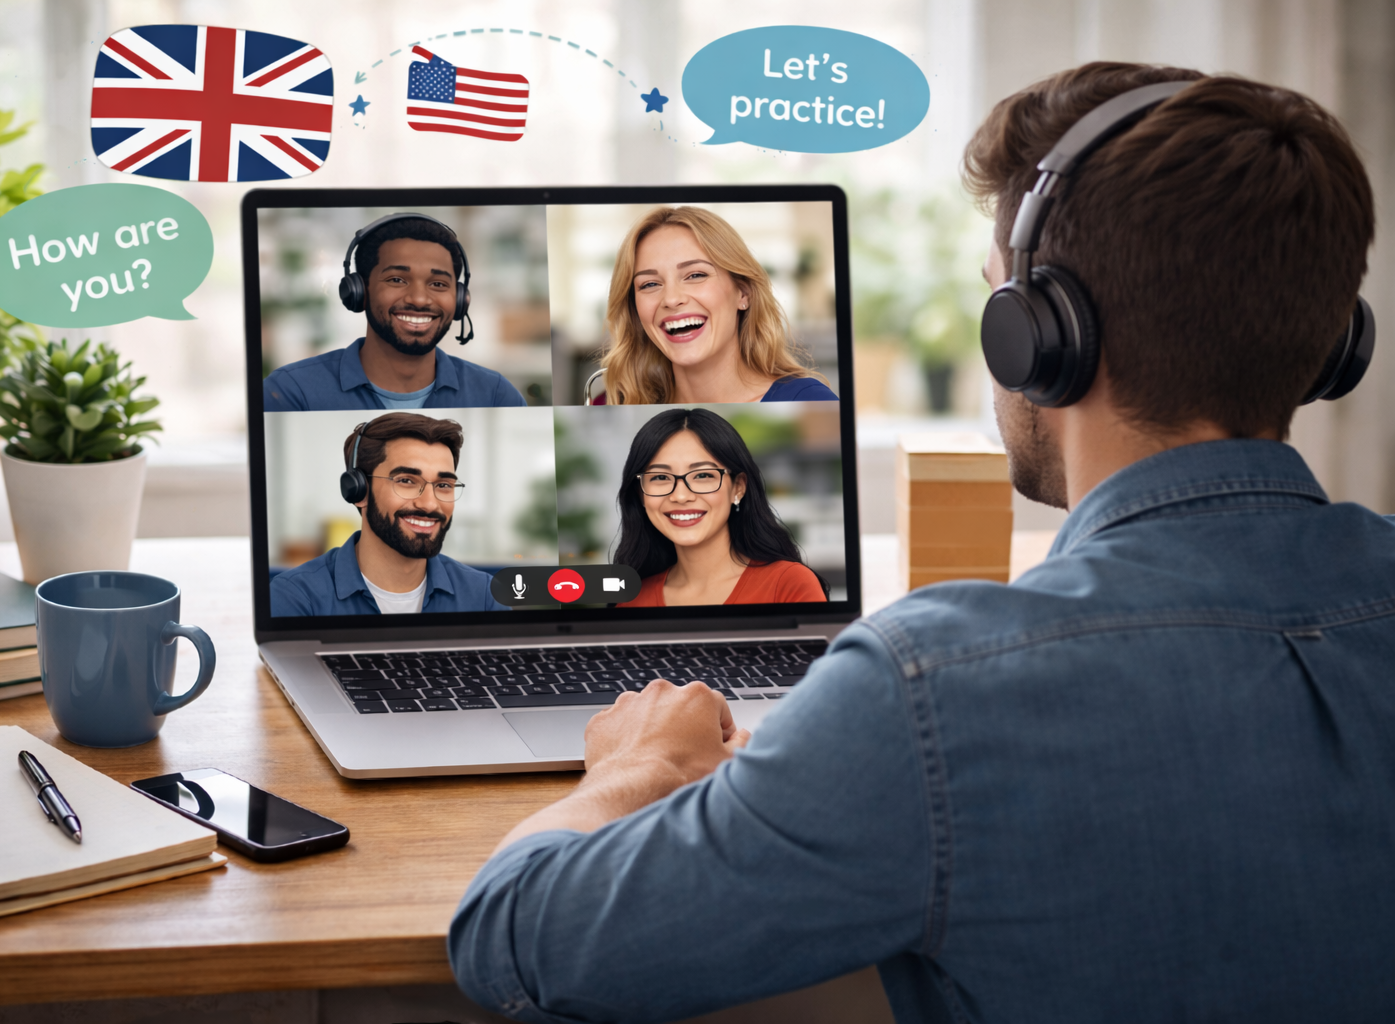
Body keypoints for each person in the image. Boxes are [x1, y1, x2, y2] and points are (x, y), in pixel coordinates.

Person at [447, 65, 1395, 1023]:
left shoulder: (934, 688)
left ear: (1039, 336)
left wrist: (638, 768)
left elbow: (515, 937)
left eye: (997, 296)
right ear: (1329, 342)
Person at [263, 215, 527, 411]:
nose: (420, 299)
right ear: (358, 291)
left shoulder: (496, 395)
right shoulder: (291, 393)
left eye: (438, 284)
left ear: (459, 299)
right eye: (397, 280)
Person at [592, 206, 837, 405]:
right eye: (649, 284)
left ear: (743, 292)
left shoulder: (809, 402)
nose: (671, 299)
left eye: (696, 275)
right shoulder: (611, 405)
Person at [271, 413, 506, 616]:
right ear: (358, 490)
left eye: (443, 485)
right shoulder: (297, 597)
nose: (430, 504)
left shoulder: (484, 596)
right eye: (406, 481)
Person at [612, 408, 827, 606]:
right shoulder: (630, 598)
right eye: (660, 477)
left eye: (703, 475)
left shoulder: (788, 584)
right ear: (640, 494)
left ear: (738, 488)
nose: (680, 495)